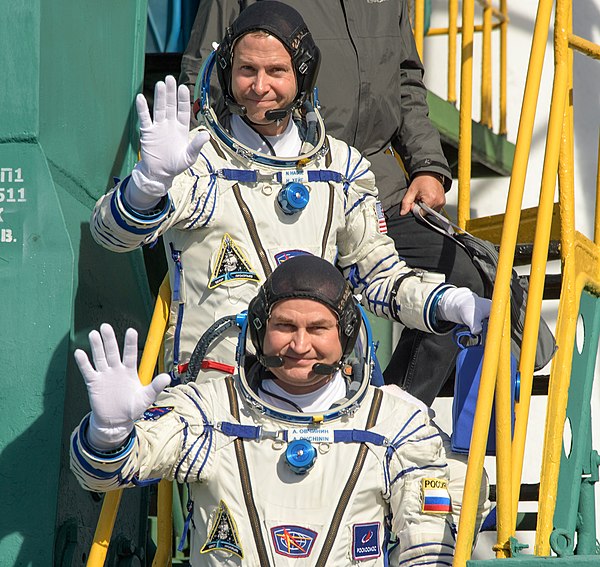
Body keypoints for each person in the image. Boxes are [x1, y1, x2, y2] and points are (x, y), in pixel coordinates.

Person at [91, 1, 489, 385]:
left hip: (318, 403)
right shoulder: (198, 161)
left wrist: (450, 304)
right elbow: (112, 235)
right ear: (227, 71)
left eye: (276, 71)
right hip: (214, 402)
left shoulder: (340, 170)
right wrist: (148, 185)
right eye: (247, 69)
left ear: (302, 75)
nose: (259, 86)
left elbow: (378, 278)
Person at [70, 255, 488, 565]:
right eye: (285, 326)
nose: (300, 345)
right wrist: (109, 433)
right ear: (259, 331)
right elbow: (103, 475)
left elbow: (427, 547)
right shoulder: (208, 411)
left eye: (318, 328)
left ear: (345, 335)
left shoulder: (397, 422)